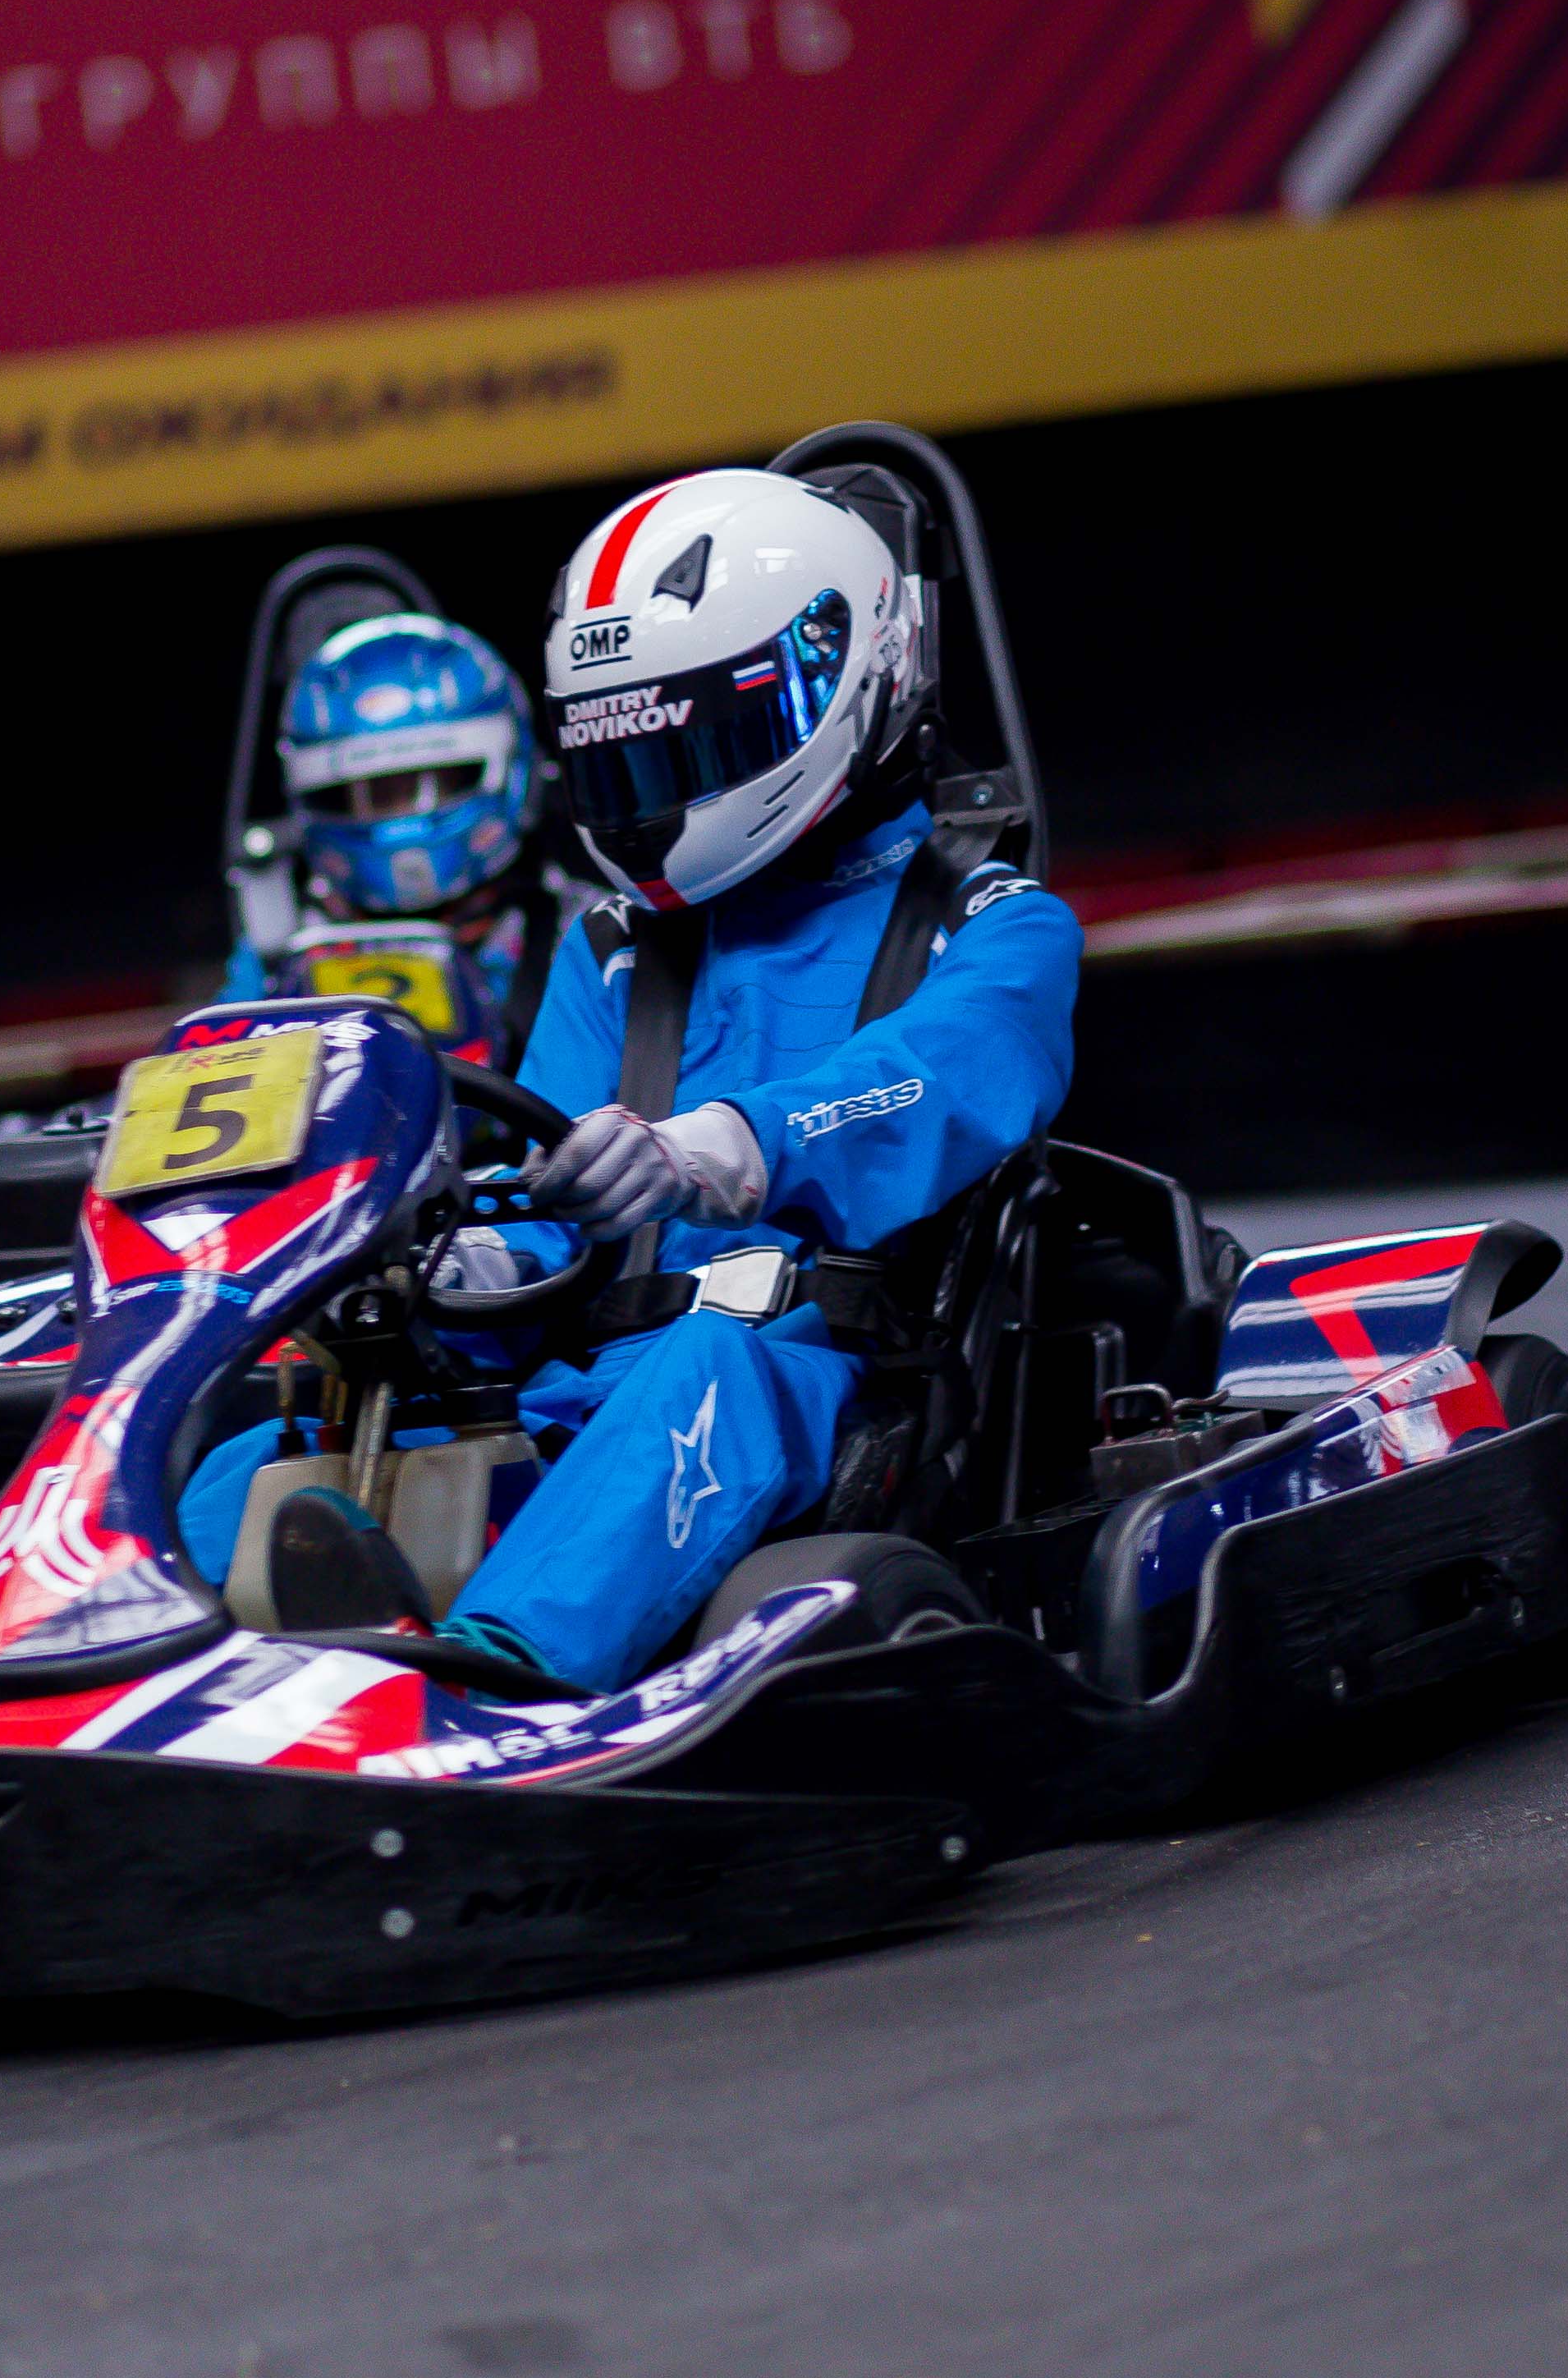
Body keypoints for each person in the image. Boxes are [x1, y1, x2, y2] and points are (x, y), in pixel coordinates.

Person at [175, 466, 1080, 1689]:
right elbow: (539, 1191)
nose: (659, 796)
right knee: (280, 1439)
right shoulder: (613, 949)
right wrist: (466, 1263)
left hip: (831, 1376)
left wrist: (721, 1145)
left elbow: (933, 1080)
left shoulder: (994, 924)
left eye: (693, 748)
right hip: (589, 1383)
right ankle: (131, 1667)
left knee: (703, 1366)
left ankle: (495, 1684)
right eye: (634, 761)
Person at [221, 611, 582, 1063]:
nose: (400, 819)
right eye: (372, 794)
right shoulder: (280, 951)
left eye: (441, 781)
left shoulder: (585, 935)